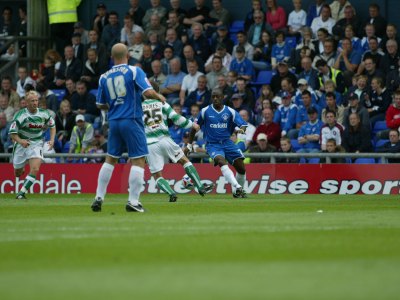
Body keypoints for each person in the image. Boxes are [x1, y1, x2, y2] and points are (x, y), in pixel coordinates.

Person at [92, 43, 166, 213]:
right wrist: (159, 96)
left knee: (110, 158)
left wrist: (115, 104)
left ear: (112, 57)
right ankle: (133, 201)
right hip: (131, 120)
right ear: (128, 56)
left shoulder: (104, 76)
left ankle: (98, 197)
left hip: (114, 121)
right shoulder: (134, 71)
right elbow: (148, 92)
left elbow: (100, 104)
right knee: (139, 159)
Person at [142, 82, 213, 202]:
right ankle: (200, 186)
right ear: (157, 92)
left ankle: (171, 193)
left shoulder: (139, 108)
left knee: (157, 175)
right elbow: (177, 119)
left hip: (149, 144)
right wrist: (192, 124)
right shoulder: (162, 104)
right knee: (184, 160)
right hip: (164, 138)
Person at [185, 88, 248, 198]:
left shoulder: (230, 111)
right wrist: (189, 145)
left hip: (228, 143)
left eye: (217, 96)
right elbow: (194, 128)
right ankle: (237, 187)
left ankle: (237, 193)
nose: (215, 98)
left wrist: (241, 130)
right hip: (213, 144)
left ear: (222, 97)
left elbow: (243, 124)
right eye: (213, 96)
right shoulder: (205, 111)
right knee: (220, 160)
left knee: (241, 169)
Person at [9, 91, 56, 199]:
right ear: (26, 103)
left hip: (36, 143)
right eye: (32, 101)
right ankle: (21, 168)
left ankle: (21, 193)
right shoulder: (20, 115)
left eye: (36, 100)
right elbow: (12, 133)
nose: (35, 103)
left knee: (35, 169)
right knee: (17, 173)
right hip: (21, 144)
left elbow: (52, 125)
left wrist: (52, 140)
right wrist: (21, 141)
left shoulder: (44, 113)